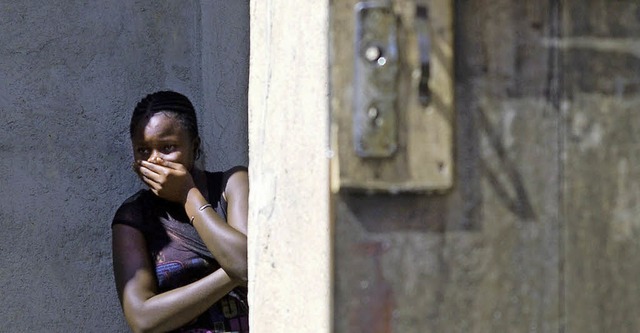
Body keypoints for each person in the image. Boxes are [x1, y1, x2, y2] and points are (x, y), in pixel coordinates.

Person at [111, 91, 249, 333]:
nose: (155, 161)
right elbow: (143, 319)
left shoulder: (232, 185)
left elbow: (248, 263)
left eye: (168, 147)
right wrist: (233, 272)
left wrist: (187, 194)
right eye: (143, 151)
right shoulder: (134, 218)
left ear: (194, 146)